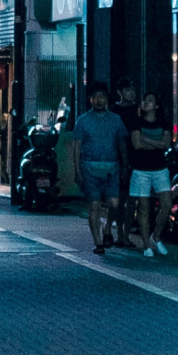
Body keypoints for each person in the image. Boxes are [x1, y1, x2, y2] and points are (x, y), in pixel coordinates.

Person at [72, 81, 130, 255]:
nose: (99, 100)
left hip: (112, 167)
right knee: (94, 204)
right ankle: (97, 242)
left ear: (106, 99)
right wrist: (77, 170)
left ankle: (107, 228)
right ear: (90, 99)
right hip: (89, 167)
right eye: (95, 97)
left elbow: (122, 144)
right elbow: (77, 147)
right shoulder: (83, 121)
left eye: (102, 97)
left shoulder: (115, 120)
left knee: (115, 203)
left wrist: (125, 165)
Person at [130, 90, 173, 257]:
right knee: (144, 207)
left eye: (150, 100)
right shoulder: (136, 122)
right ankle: (147, 244)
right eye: (144, 100)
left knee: (167, 204)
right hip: (141, 169)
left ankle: (156, 236)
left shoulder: (163, 123)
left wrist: (146, 139)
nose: (146, 103)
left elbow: (166, 144)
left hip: (160, 168)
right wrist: (158, 143)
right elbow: (136, 145)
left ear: (156, 106)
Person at [109, 78, 141, 247]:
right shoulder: (114, 111)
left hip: (137, 157)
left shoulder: (139, 110)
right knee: (119, 200)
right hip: (118, 159)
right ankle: (119, 233)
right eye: (127, 90)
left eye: (132, 89)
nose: (131, 92)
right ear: (120, 93)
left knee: (132, 199)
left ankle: (126, 234)